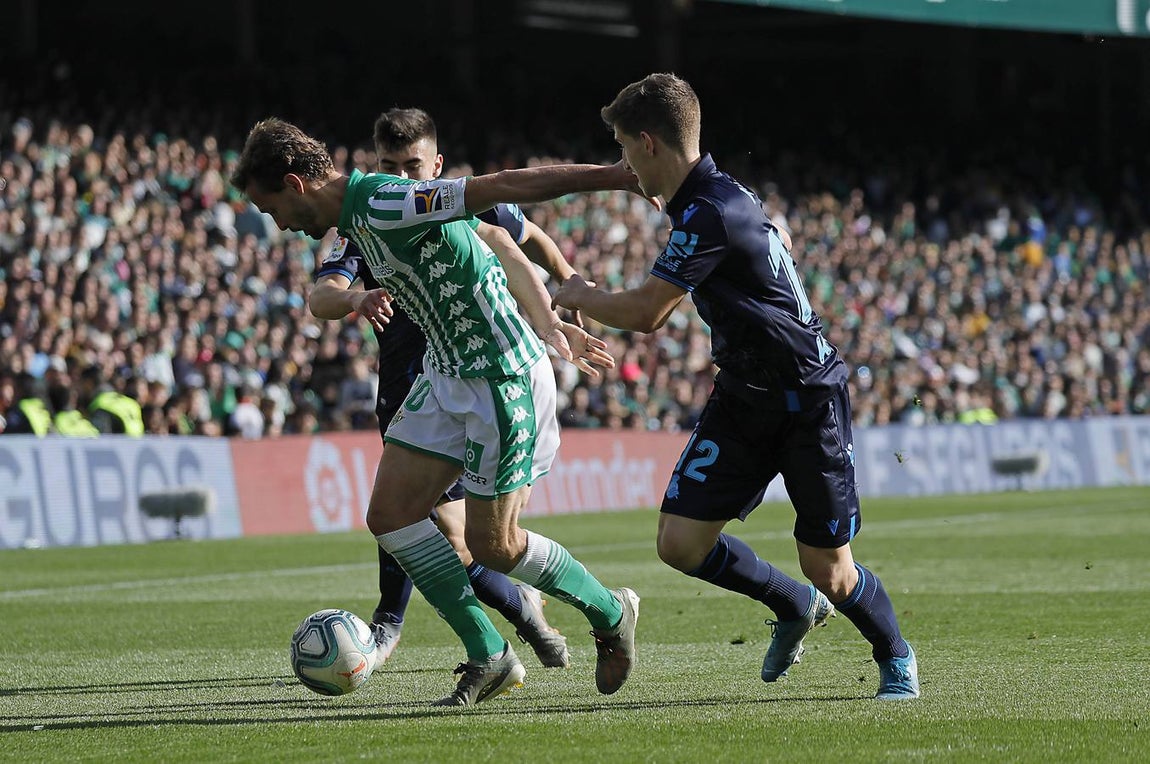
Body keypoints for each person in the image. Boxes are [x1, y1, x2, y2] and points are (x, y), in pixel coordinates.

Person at [230, 118, 640, 706]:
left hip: (500, 374)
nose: (283, 227)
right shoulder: (352, 222)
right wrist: (552, 324)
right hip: (445, 375)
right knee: (391, 515)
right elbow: (495, 243)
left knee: (494, 546)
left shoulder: (389, 200)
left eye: (273, 210)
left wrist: (614, 177)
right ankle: (490, 654)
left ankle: (609, 610)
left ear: (295, 185)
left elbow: (500, 189)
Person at [545, 73, 919, 699]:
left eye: (623, 149)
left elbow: (646, 314)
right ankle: (791, 604)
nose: (623, 164)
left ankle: (894, 653)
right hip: (745, 397)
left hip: (807, 401)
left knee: (830, 569)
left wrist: (576, 293)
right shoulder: (715, 199)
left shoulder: (710, 211)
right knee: (680, 542)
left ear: (649, 143)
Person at [310, 107, 576, 671]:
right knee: (413, 521)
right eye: (389, 166)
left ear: (438, 165)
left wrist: (567, 291)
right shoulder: (369, 217)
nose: (403, 179)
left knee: (456, 535)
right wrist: (356, 298)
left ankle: (470, 628)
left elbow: (524, 239)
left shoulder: (461, 206)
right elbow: (323, 293)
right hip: (412, 382)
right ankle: (505, 622)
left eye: (413, 166)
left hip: (478, 373)